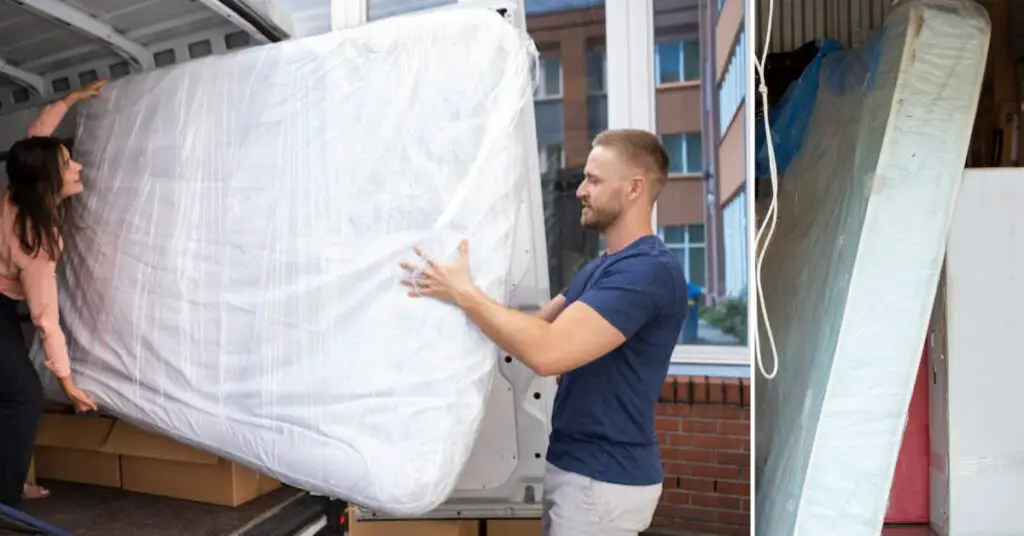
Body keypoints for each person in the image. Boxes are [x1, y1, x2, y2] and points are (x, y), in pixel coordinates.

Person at [400, 129, 688, 535]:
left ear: (634, 188)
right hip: (575, 468)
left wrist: (465, 293)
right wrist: (455, 299)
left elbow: (548, 351)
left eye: (594, 179)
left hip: (602, 479)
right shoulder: (600, 268)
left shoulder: (646, 272)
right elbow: (536, 328)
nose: (581, 191)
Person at [0, 80, 105, 508]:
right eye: (68, 165)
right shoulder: (34, 241)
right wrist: (67, 383)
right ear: (47, 180)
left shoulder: (18, 188)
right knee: (23, 397)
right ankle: (5, 502)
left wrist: (70, 99)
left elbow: (36, 138)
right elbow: (46, 319)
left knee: (10, 392)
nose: (77, 168)